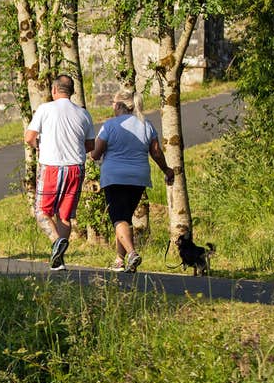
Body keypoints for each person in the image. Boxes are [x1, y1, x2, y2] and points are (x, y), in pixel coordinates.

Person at [90, 92, 175, 272]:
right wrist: (166, 170)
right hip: (138, 178)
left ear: (119, 105)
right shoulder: (147, 125)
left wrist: (92, 152)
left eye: (113, 103)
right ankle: (120, 260)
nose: (112, 106)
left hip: (114, 178)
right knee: (125, 218)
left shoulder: (110, 125)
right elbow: (157, 153)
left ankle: (131, 254)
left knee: (118, 218)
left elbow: (95, 153)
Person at [23, 74, 94, 270]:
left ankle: (56, 242)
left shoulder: (45, 109)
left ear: (54, 90)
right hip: (75, 168)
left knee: (41, 211)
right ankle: (58, 259)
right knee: (65, 216)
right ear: (72, 92)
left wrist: (40, 146)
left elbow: (29, 137)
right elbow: (90, 145)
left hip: (52, 166)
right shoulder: (83, 114)